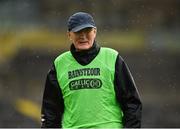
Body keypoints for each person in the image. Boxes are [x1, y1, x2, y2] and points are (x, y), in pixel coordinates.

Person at [41, 12, 142, 128]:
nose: (83, 36)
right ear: (69, 35)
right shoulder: (60, 64)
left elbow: (132, 103)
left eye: (87, 31)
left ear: (95, 32)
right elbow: (50, 112)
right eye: (78, 32)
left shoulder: (112, 58)